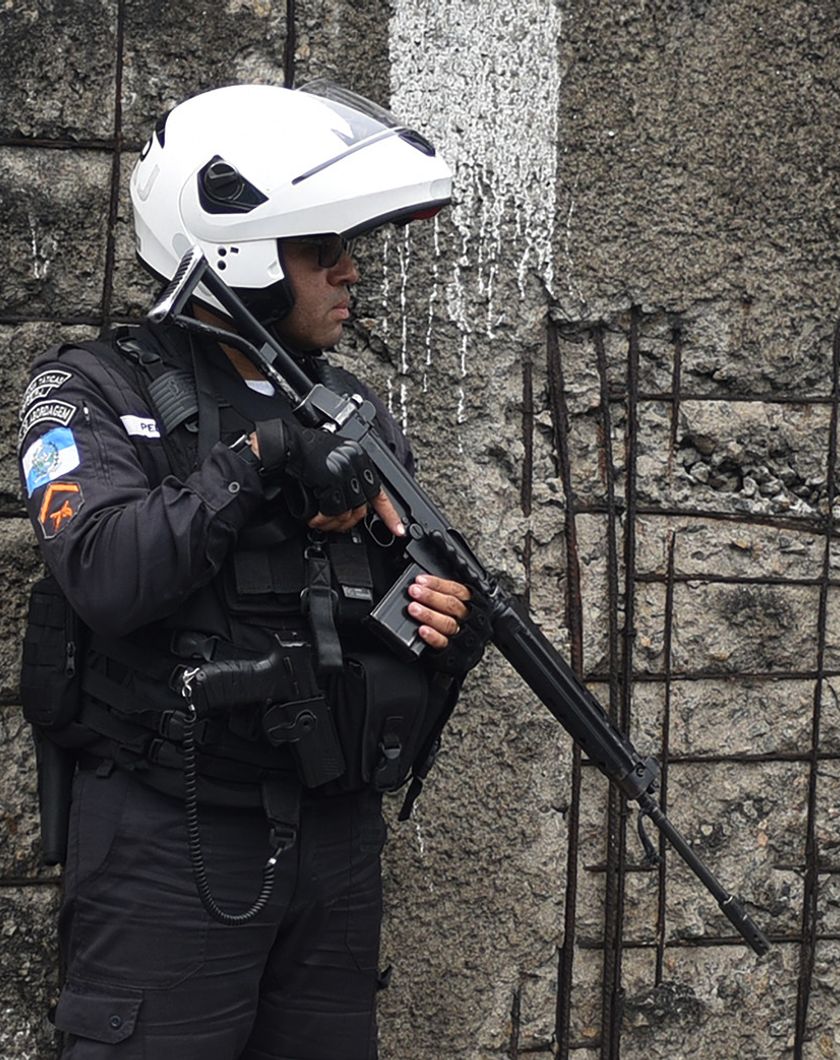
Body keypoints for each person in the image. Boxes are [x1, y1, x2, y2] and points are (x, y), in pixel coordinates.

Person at [18, 82, 489, 1058]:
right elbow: (105, 571)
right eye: (325, 250)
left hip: (334, 847)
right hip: (171, 841)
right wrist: (262, 459)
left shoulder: (351, 407)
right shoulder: (87, 392)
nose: (351, 272)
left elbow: (393, 586)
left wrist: (443, 621)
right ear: (238, 252)